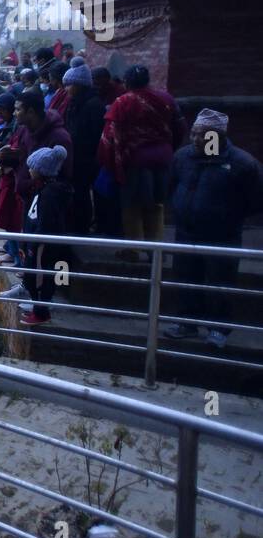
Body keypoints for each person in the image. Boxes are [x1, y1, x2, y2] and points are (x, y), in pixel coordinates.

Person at [163, 109, 263, 349]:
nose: (196, 139)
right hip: (186, 231)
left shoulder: (242, 163)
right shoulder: (183, 157)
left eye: (203, 135)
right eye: (194, 133)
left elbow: (256, 200)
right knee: (186, 278)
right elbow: (171, 185)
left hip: (223, 235)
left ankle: (219, 328)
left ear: (218, 136)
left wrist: (227, 216)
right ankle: (187, 322)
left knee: (220, 281)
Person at [98, 65, 187, 259]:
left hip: (135, 160)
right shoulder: (166, 99)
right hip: (163, 157)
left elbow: (110, 135)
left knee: (132, 205)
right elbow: (180, 127)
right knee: (157, 204)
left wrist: (109, 160)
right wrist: (169, 147)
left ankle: (134, 248)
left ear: (127, 82)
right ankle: (155, 250)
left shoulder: (122, 102)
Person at [15, 146, 73, 326]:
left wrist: (34, 245)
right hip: (36, 242)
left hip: (43, 246)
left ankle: (41, 313)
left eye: (32, 168)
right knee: (35, 277)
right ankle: (38, 308)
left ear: (41, 171)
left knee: (40, 280)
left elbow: (45, 222)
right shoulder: (42, 189)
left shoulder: (49, 194)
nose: (29, 171)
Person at [62, 63, 106, 236]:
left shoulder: (93, 105)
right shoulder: (74, 103)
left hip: (87, 158)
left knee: (83, 194)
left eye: (69, 85)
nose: (66, 89)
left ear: (79, 85)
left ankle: (83, 227)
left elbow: (95, 135)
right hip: (76, 156)